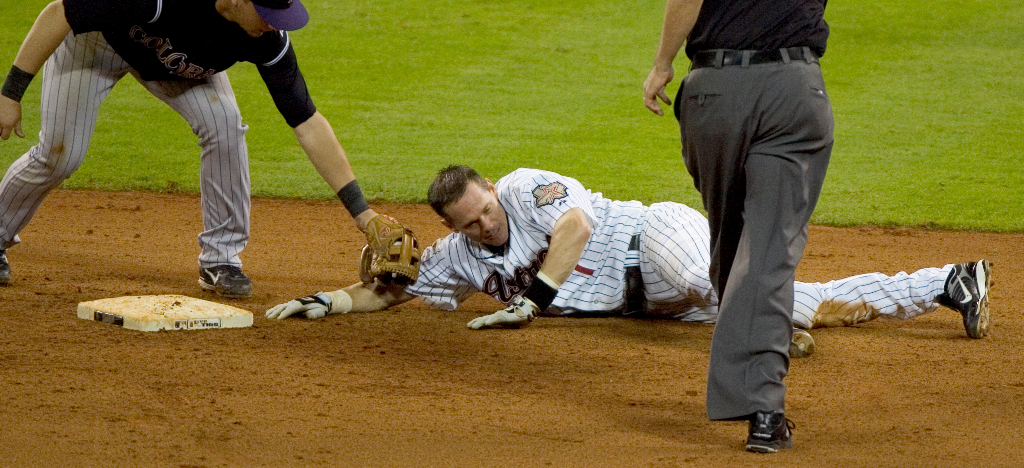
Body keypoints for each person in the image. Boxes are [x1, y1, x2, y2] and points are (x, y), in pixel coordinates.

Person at [0, 0, 404, 296]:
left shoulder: (264, 34)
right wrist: (11, 93)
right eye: (266, 14)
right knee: (60, 155)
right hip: (97, 39)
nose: (274, 25)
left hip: (171, 56)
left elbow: (307, 122)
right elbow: (60, 14)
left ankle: (221, 260)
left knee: (225, 125)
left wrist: (361, 211)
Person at [266, 164, 991, 364]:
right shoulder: (460, 258)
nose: (487, 224)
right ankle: (948, 282)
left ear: (491, 190)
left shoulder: (527, 188)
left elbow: (578, 226)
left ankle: (757, 330)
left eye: (486, 211)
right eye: (471, 223)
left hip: (659, 238)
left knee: (708, 279)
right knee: (810, 303)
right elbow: (394, 291)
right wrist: (332, 298)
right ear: (452, 227)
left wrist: (534, 300)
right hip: (657, 306)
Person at [640, 0, 843, 451]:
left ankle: (761, 403)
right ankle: (759, 404)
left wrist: (662, 66)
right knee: (766, 250)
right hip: (794, 93)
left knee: (738, 247)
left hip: (715, 96)